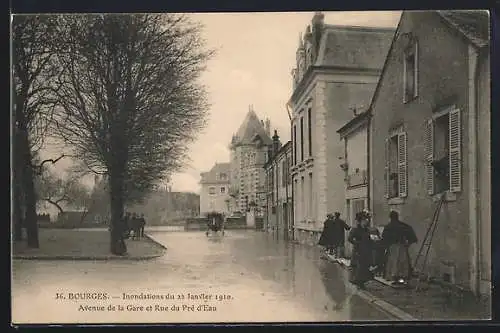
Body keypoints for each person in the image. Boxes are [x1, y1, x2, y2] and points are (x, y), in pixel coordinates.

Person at [381, 210, 418, 286]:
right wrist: (408, 243)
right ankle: (403, 278)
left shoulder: (388, 227)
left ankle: (395, 278)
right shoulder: (404, 226)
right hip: (402, 246)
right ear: (397, 217)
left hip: (393, 248)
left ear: (390, 218)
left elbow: (384, 238)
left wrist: (386, 247)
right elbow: (413, 237)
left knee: (394, 263)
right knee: (403, 263)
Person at [348, 211, 374, 289]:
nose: (366, 221)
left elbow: (369, 238)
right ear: (360, 221)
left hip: (366, 250)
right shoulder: (355, 229)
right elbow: (350, 238)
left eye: (366, 220)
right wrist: (357, 243)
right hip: (358, 250)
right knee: (358, 267)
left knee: (365, 266)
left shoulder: (367, 230)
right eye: (364, 220)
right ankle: (358, 282)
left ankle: (362, 282)